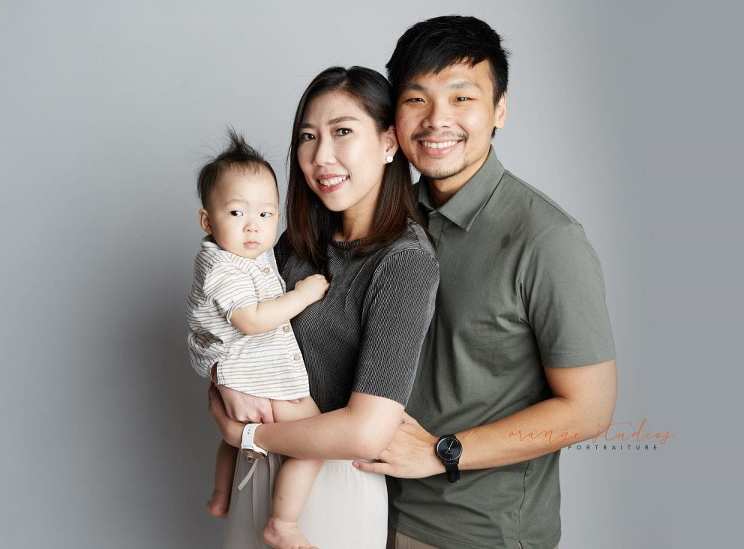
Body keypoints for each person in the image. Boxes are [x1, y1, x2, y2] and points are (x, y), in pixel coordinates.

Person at [352, 16, 618, 549]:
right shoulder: (386, 219)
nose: (436, 121)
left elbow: (590, 409)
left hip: (475, 533)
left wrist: (441, 451)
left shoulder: (547, 239)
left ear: (500, 109)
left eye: (461, 98)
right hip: (365, 511)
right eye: (416, 99)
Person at [208, 66, 440, 549]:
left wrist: (246, 436)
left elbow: (366, 432)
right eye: (308, 136)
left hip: (333, 492)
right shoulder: (294, 244)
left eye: (343, 132)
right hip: (258, 477)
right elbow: (231, 333)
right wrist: (220, 395)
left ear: (389, 142)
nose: (321, 155)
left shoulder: (404, 262)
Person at [186, 131, 330, 548]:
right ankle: (283, 522)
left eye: (266, 214)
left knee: (234, 438)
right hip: (260, 374)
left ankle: (219, 495)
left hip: (244, 373)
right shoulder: (223, 267)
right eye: (236, 213)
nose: (253, 226)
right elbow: (250, 319)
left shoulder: (245, 253)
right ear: (207, 221)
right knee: (316, 440)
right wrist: (301, 295)